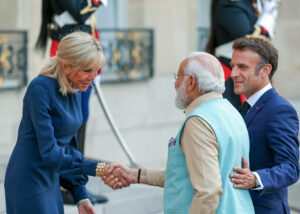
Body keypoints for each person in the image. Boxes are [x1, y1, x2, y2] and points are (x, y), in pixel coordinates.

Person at [103, 52, 255, 214]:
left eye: (178, 77)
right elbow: (186, 174)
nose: (175, 84)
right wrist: (136, 175)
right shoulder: (231, 112)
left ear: (190, 82)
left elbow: (208, 191)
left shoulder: (199, 121)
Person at [4, 32, 129, 214]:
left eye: (96, 70)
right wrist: (99, 168)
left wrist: (80, 195)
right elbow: (50, 153)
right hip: (28, 182)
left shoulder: (75, 89)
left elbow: (70, 148)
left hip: (51, 181)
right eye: (87, 70)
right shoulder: (39, 89)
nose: (93, 76)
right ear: (66, 65)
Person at [35, 0, 108, 204]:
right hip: (71, 54)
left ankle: (74, 181)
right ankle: (65, 182)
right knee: (69, 120)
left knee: (80, 117)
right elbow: (79, 13)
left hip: (83, 54)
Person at [229, 37, 299, 213]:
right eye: (233, 66)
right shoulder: (243, 106)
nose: (233, 73)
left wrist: (255, 179)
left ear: (265, 70)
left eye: (242, 67)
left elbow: (291, 168)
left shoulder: (280, 109)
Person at [205, 0, 279, 109]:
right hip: (234, 72)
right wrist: (267, 20)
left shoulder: (252, 2)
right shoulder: (230, 3)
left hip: (253, 69)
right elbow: (248, 40)